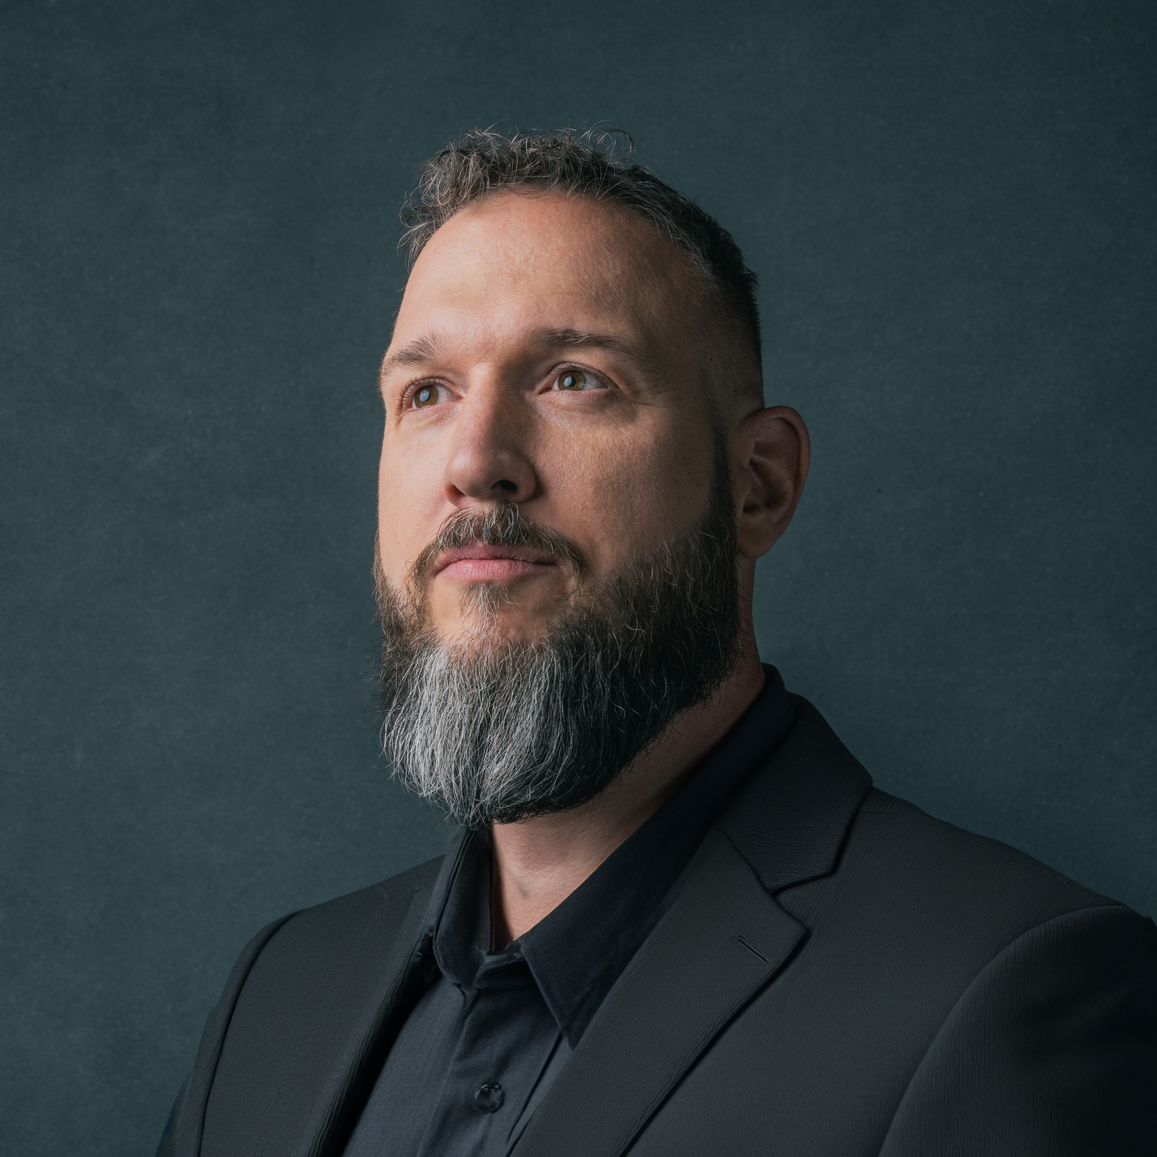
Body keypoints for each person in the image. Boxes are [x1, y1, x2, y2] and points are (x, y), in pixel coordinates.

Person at [158, 129, 1157, 1157]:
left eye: (573, 378)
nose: (475, 460)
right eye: (426, 392)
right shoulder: (273, 996)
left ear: (757, 484)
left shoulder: (1007, 988)